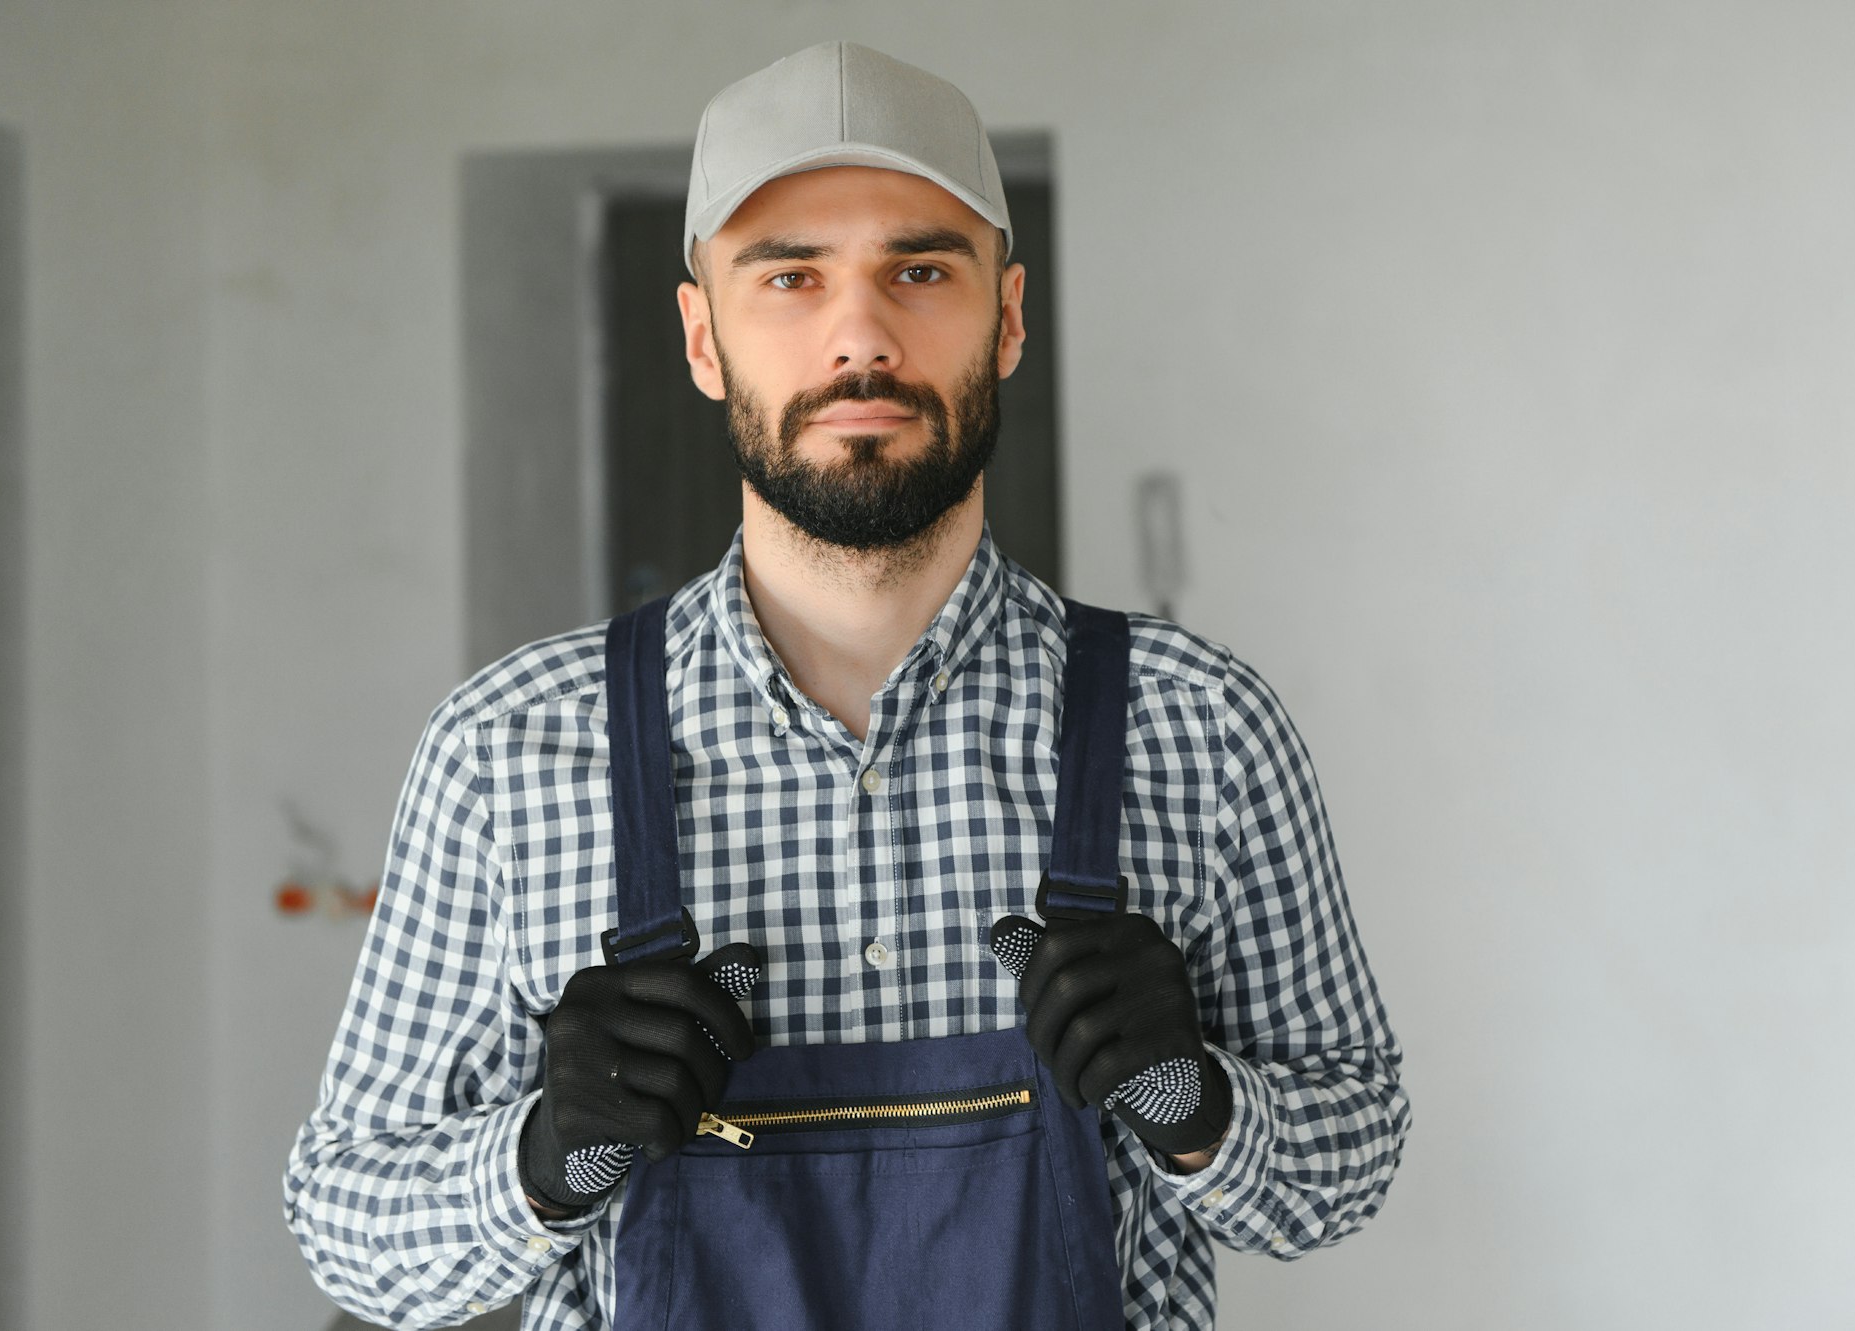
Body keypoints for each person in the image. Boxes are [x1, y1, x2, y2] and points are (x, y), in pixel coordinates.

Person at [286, 40, 1410, 1331]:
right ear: (704, 338)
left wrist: (1196, 1101)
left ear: (1009, 317)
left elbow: (1347, 1167)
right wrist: (542, 1160)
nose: (860, 335)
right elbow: (349, 1229)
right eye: (790, 278)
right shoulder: (508, 752)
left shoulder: (1199, 727)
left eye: (919, 271)